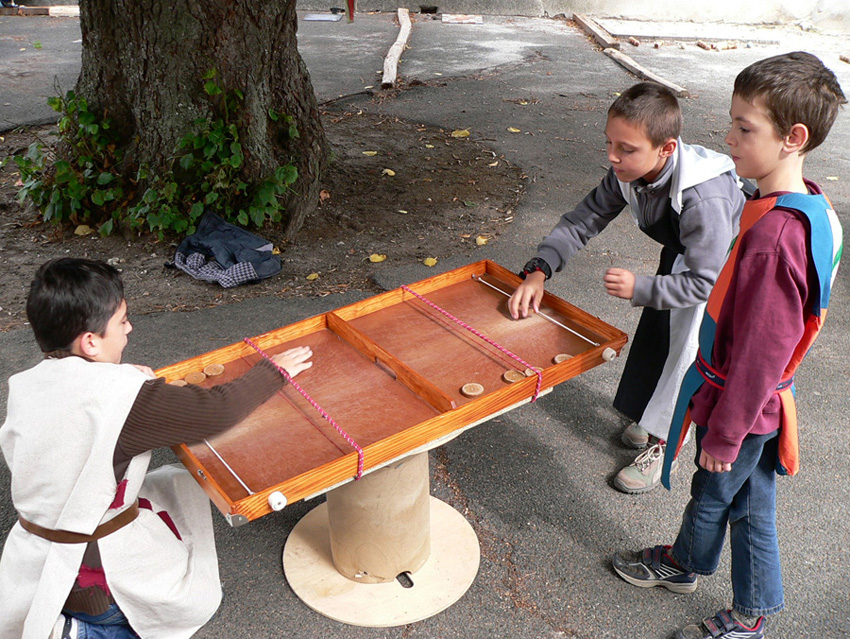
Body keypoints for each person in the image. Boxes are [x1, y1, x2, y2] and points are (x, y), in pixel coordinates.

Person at [612, 51, 845, 639]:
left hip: (745, 405)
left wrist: (725, 430)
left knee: (728, 501)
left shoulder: (773, 239)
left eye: (745, 128)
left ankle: (742, 611)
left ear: (793, 138)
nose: (729, 138)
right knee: (738, 500)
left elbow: (763, 352)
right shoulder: (807, 204)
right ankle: (694, 568)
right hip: (755, 404)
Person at [0, 258, 314, 639]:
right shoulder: (125, 397)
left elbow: (86, 403)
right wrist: (273, 370)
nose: (129, 329)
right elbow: (218, 410)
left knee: (167, 483)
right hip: (96, 580)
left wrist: (126, 380)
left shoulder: (27, 383)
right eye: (122, 321)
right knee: (190, 594)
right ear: (91, 342)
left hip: (34, 558)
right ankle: (87, 632)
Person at [508, 82, 745, 493]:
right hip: (686, 256)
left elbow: (704, 280)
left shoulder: (704, 197)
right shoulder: (625, 172)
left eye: (627, 149)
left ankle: (665, 441)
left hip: (724, 269)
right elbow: (583, 219)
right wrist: (539, 269)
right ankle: (649, 416)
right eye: (610, 144)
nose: (613, 157)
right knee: (658, 336)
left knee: (687, 354)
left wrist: (642, 288)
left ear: (666, 149)